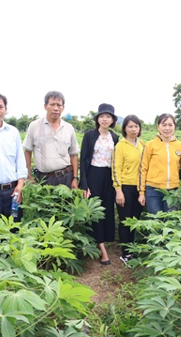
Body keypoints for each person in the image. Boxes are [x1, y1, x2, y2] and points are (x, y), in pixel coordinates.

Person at [80, 103, 119, 265]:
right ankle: (102, 250)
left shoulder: (115, 137)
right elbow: (83, 160)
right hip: (93, 175)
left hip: (109, 177)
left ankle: (104, 240)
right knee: (95, 210)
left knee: (107, 210)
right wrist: (84, 184)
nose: (105, 119)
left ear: (112, 120)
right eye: (102, 116)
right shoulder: (89, 135)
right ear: (98, 119)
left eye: (108, 116)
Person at [23, 91, 79, 188]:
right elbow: (27, 151)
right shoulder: (34, 126)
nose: (56, 108)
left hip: (66, 177)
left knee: (65, 203)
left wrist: (75, 178)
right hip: (43, 178)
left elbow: (74, 155)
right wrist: (28, 175)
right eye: (52, 105)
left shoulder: (69, 128)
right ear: (45, 106)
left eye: (59, 105)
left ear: (63, 108)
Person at [112, 114, 145, 265]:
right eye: (130, 126)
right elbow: (115, 169)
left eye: (136, 126)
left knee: (135, 220)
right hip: (124, 187)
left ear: (139, 128)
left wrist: (142, 191)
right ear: (124, 128)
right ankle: (125, 254)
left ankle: (132, 250)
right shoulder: (120, 146)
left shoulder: (143, 145)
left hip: (139, 188)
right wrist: (118, 190)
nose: (133, 129)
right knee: (125, 221)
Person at [138, 113, 181, 214]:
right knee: (155, 221)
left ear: (174, 126)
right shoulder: (150, 145)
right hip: (153, 190)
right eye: (164, 125)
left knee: (170, 222)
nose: (167, 128)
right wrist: (141, 192)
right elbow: (143, 169)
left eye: (170, 125)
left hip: (173, 190)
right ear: (158, 127)